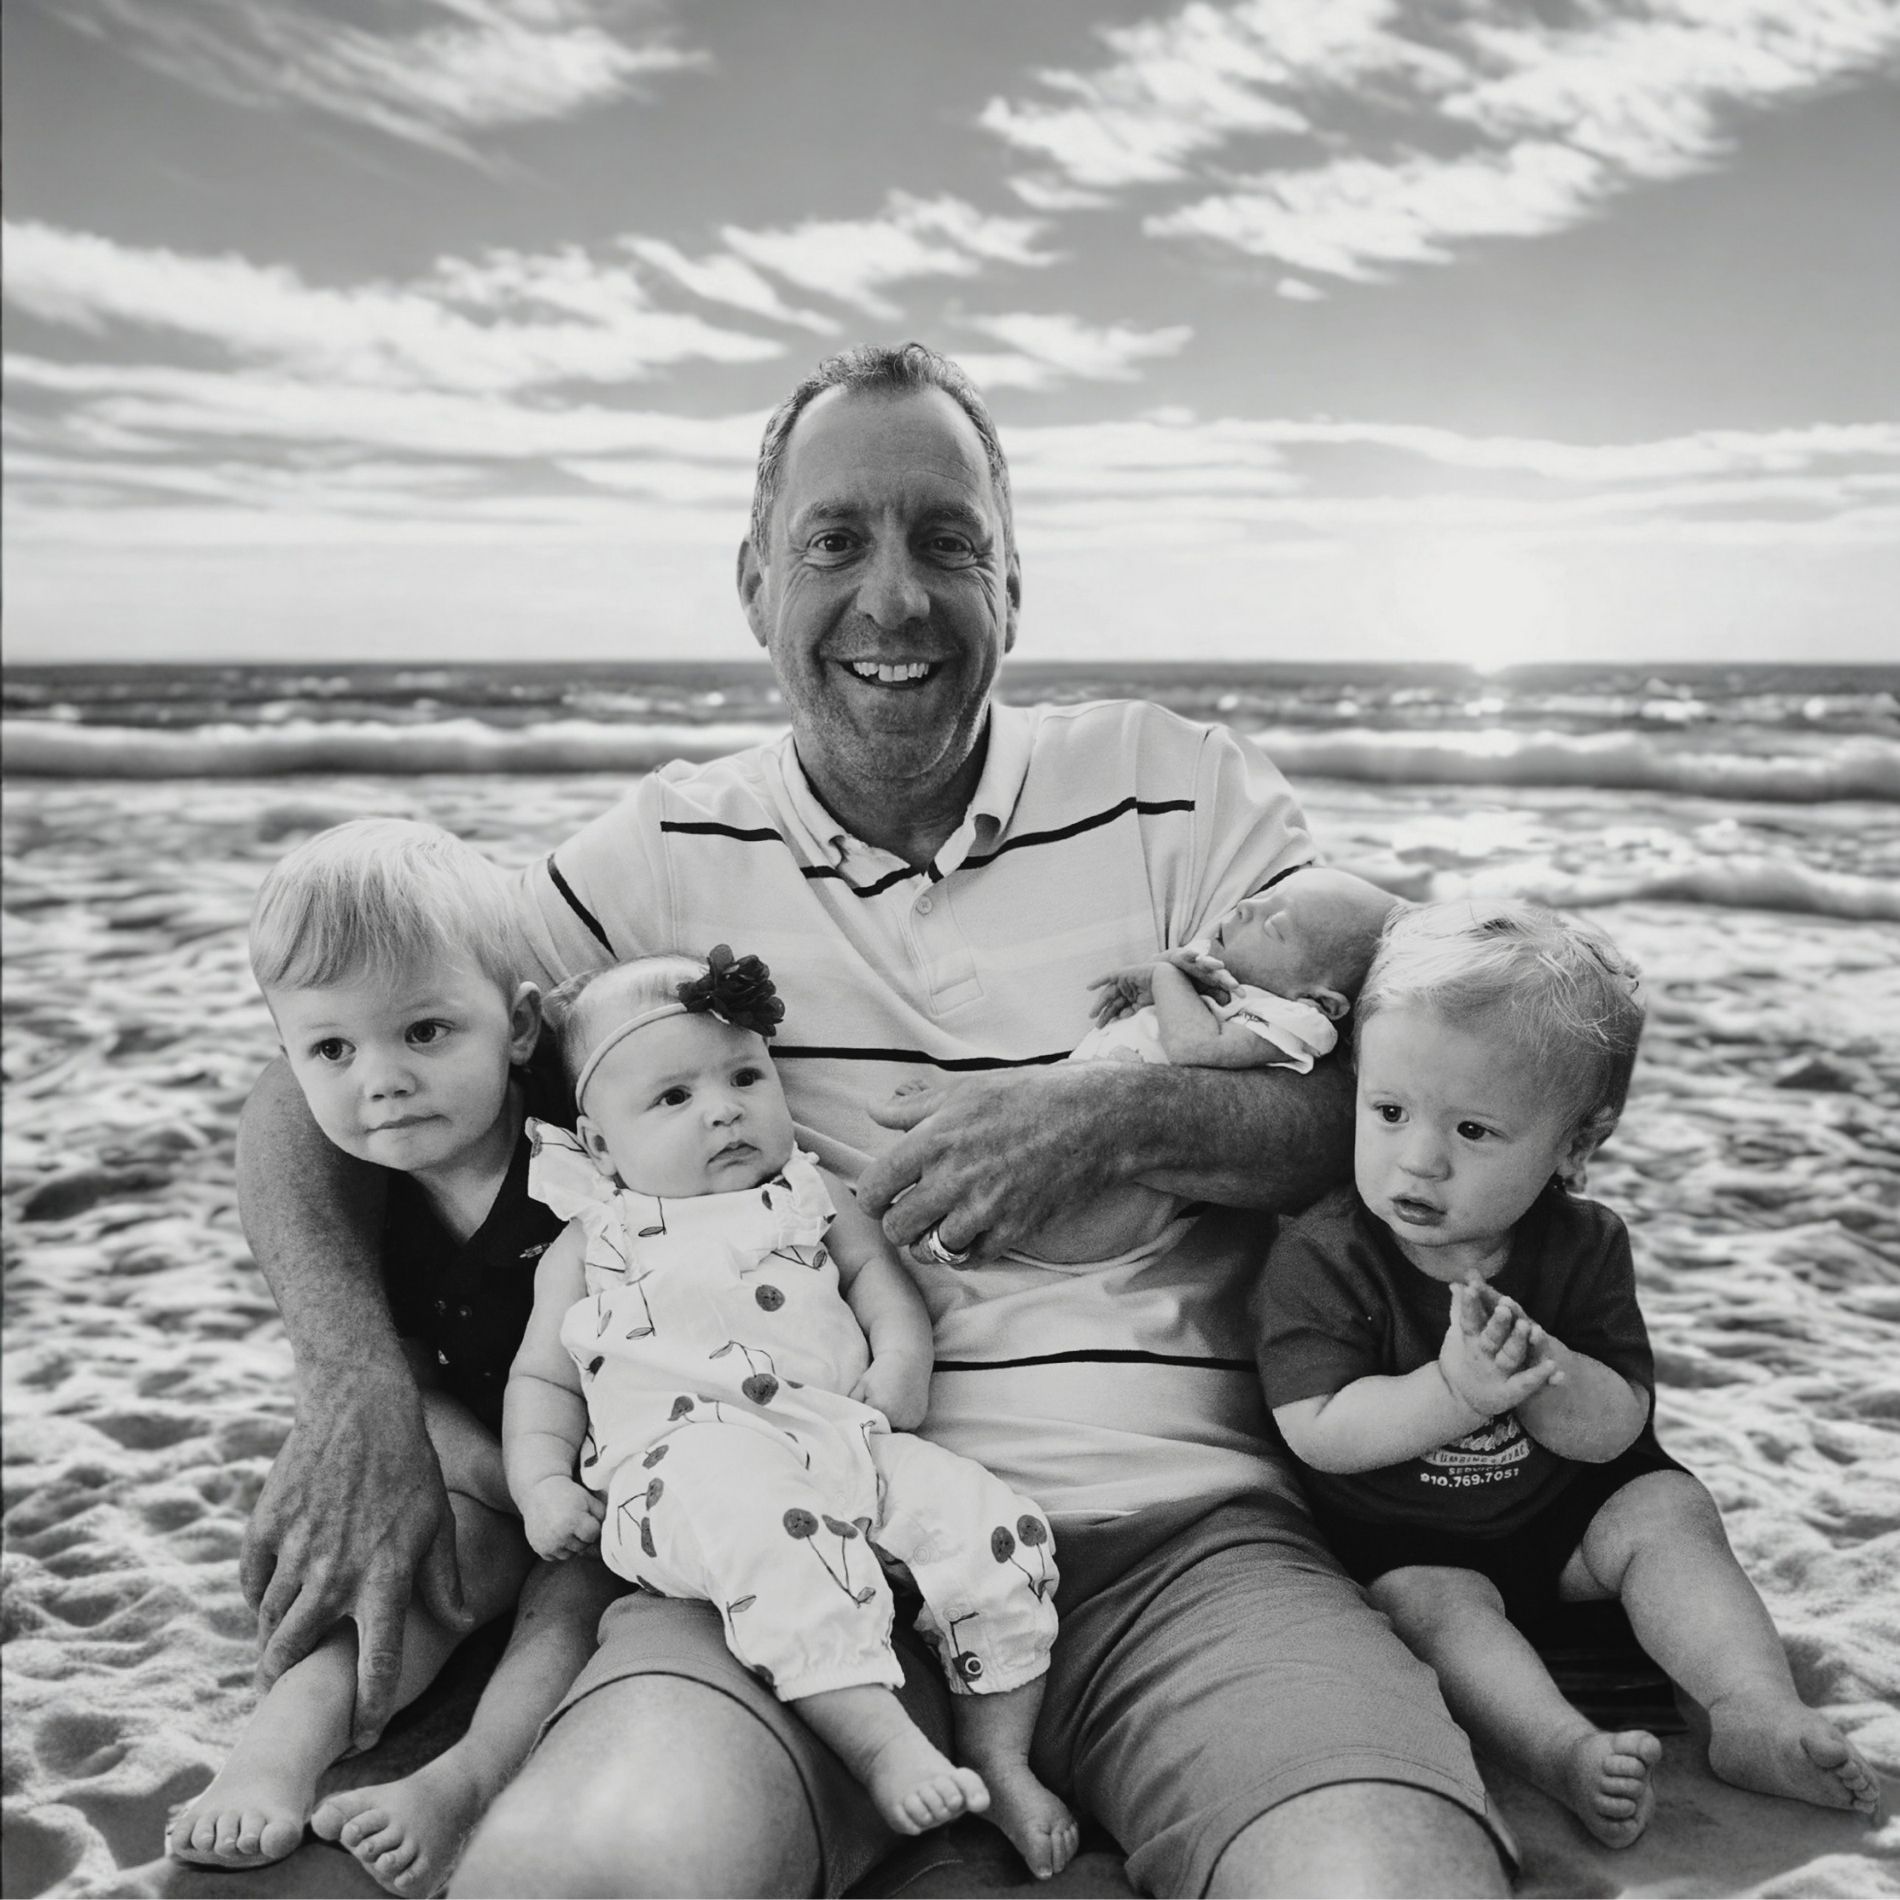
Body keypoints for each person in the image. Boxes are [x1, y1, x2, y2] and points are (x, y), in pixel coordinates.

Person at [236, 341, 1514, 1898]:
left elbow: (1391, 1100)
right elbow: (328, 1072)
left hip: (1180, 1544)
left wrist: (1110, 1124)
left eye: (946, 539)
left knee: (1383, 1884)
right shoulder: (653, 860)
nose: (894, 598)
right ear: (756, 578)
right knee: (587, 1879)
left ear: (1014, 580)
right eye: (836, 540)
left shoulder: (1174, 791)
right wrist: (359, 1388)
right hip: (755, 1538)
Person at [1255, 898, 1881, 1850]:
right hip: (1413, 1540)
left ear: (1575, 1149)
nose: (1417, 1159)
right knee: (1426, 1607)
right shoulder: (1326, 1256)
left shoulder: (1584, 1244)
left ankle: (1751, 1710)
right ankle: (1560, 1751)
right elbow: (1319, 1430)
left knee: (1669, 1512)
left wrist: (1546, 1371)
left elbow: (1618, 1428)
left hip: (1569, 1527)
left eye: (1474, 1132)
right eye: (1387, 1112)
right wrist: (1456, 1392)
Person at [505, 948, 1076, 1875]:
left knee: (992, 1523)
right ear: (602, 1147)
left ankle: (998, 1747)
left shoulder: (811, 1192)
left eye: (743, 1077)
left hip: (842, 1438)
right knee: (774, 1537)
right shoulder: (592, 1240)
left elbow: (882, 1286)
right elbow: (541, 1380)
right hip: (685, 1472)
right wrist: (538, 1484)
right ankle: (878, 1741)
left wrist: (901, 1365)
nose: (724, 1108)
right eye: (673, 1099)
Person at [169, 819, 619, 1897]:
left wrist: (558, 1487)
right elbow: (397, 1383)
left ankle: (466, 1775)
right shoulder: (372, 1204)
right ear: (287, 1060)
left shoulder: (584, 1156)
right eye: (331, 1049)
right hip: (483, 1464)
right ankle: (271, 1759)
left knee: (579, 1601)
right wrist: (493, 1478)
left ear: (516, 1028)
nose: (382, 1080)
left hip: (616, 1476)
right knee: (413, 1570)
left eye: (424, 1032)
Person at [1015, 866, 1399, 1266]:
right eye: (1261, 897)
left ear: (1320, 1001)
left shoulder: (1294, 1020)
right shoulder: (1227, 977)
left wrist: (1167, 976)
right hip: (1058, 1155)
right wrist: (1167, 970)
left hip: (1094, 1209)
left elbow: (1194, 1047)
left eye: (1274, 926)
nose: (1246, 908)